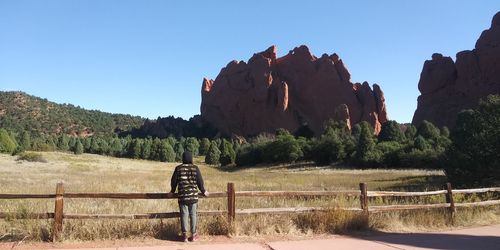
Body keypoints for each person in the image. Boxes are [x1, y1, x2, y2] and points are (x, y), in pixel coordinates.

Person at [169, 151, 208, 242]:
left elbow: (173, 181)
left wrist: (172, 191)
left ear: (183, 158)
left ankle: (184, 236)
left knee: (184, 215)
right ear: (191, 158)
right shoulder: (195, 168)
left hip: (182, 196)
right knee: (193, 215)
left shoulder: (178, 168)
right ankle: (194, 235)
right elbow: (200, 181)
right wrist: (203, 190)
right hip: (193, 196)